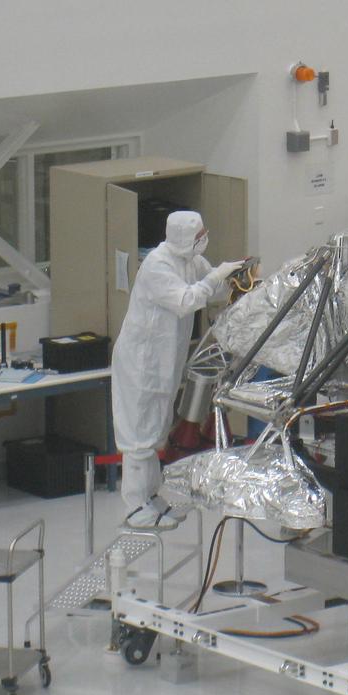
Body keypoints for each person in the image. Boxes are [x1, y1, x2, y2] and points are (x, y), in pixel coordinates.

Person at [111, 211, 243, 528]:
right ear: (184, 237)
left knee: (156, 430)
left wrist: (235, 279)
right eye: (199, 235)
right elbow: (186, 300)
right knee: (138, 435)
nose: (203, 240)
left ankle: (152, 497)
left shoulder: (190, 261)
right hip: (141, 363)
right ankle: (134, 505)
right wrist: (216, 277)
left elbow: (211, 289)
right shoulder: (158, 265)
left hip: (164, 362)